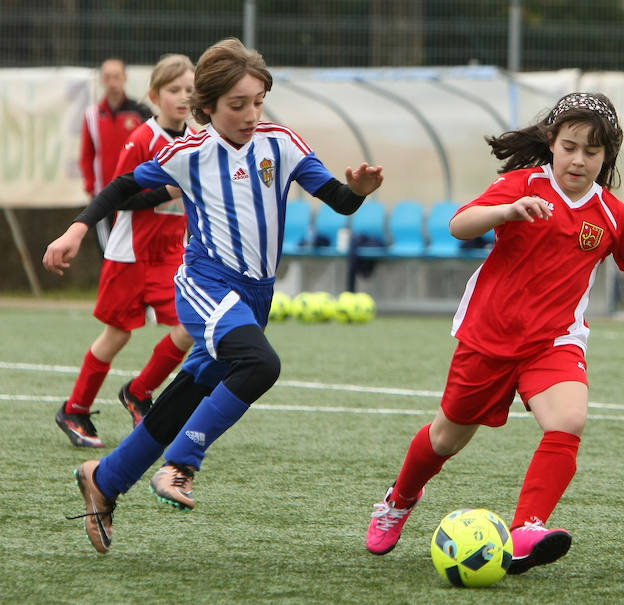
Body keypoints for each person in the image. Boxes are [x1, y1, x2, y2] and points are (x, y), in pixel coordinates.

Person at [43, 37, 384, 554]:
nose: (251, 114)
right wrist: (75, 230)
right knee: (260, 365)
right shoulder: (188, 154)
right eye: (237, 104)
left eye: (258, 101)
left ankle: (105, 480)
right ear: (207, 107)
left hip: (255, 296)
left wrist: (356, 189)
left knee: (183, 399)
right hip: (206, 284)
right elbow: (119, 188)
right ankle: (180, 467)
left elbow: (337, 201)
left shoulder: (282, 143)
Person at [365, 92, 624, 575]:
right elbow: (459, 225)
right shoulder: (521, 184)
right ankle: (400, 499)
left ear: (606, 156)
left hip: (554, 341)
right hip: (488, 337)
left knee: (568, 419)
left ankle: (527, 527)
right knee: (446, 438)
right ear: (552, 142)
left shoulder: (613, 215)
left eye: (591, 152)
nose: (579, 159)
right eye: (570, 146)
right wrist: (505, 212)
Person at [55, 54, 197, 448]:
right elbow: (121, 197)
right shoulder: (142, 139)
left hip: (171, 254)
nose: (183, 97)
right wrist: (167, 191)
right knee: (117, 335)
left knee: (191, 327)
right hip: (131, 254)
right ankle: (75, 408)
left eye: (189, 90)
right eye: (174, 90)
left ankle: (139, 391)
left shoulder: (196, 141)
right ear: (154, 95)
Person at [80, 58, 153, 250]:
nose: (112, 82)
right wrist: (90, 188)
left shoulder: (141, 113)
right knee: (108, 252)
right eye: (108, 77)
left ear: (125, 79)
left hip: (136, 194)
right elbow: (87, 155)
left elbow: (152, 151)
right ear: (102, 80)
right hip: (104, 195)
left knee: (135, 251)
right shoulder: (92, 116)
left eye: (116, 77)